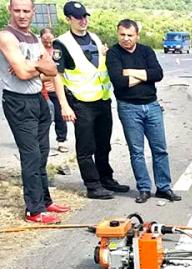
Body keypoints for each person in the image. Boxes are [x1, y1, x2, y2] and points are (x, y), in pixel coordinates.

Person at [0, 0, 70, 224]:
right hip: (18, 101)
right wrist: (38, 65)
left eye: (26, 11)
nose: (22, 15)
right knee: (31, 156)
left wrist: (33, 66)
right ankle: (34, 210)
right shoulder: (6, 36)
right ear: (10, 10)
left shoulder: (33, 37)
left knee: (42, 153)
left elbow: (52, 70)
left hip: (38, 98)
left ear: (33, 12)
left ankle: (45, 201)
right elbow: (21, 73)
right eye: (17, 10)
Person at [52, 1, 129, 199]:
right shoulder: (61, 43)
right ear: (68, 19)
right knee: (86, 147)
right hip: (81, 103)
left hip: (102, 100)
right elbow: (56, 76)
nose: (83, 21)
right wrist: (64, 105)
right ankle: (93, 186)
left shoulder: (94, 37)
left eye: (85, 16)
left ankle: (106, 178)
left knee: (104, 144)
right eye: (78, 18)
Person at [106, 19, 181, 204]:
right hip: (129, 108)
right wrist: (145, 75)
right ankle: (144, 188)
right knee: (137, 151)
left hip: (152, 106)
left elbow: (158, 74)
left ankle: (164, 187)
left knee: (160, 149)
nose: (126, 38)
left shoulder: (146, 51)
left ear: (137, 36)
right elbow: (119, 82)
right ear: (118, 34)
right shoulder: (113, 53)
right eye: (122, 35)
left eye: (130, 35)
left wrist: (129, 71)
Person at [38, 26, 68, 153]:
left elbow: (62, 70)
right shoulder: (38, 51)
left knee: (60, 117)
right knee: (43, 118)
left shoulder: (58, 50)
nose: (48, 43)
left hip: (57, 90)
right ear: (41, 39)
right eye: (45, 40)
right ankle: (41, 143)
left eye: (50, 39)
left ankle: (62, 141)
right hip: (41, 90)